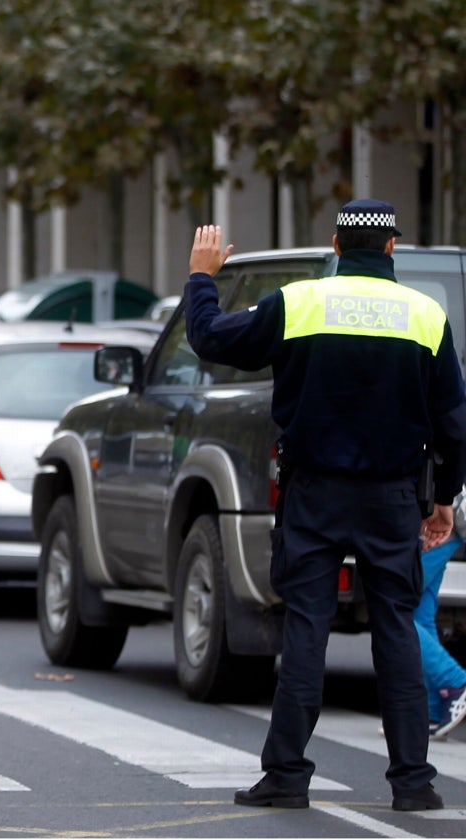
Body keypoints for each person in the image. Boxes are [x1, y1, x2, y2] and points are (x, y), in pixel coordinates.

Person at [185, 199, 466, 813]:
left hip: (313, 494)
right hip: (393, 499)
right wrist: (442, 500)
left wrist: (203, 278)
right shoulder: (426, 315)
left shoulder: (300, 303)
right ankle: (413, 784)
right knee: (395, 631)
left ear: (336, 247)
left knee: (307, 630)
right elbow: (453, 424)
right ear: (392, 250)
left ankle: (287, 776)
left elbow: (209, 339)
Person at [418, 498, 466, 740]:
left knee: (394, 611)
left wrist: (440, 507)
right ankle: (434, 709)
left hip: (440, 516)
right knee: (419, 615)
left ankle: (455, 681)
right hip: (448, 516)